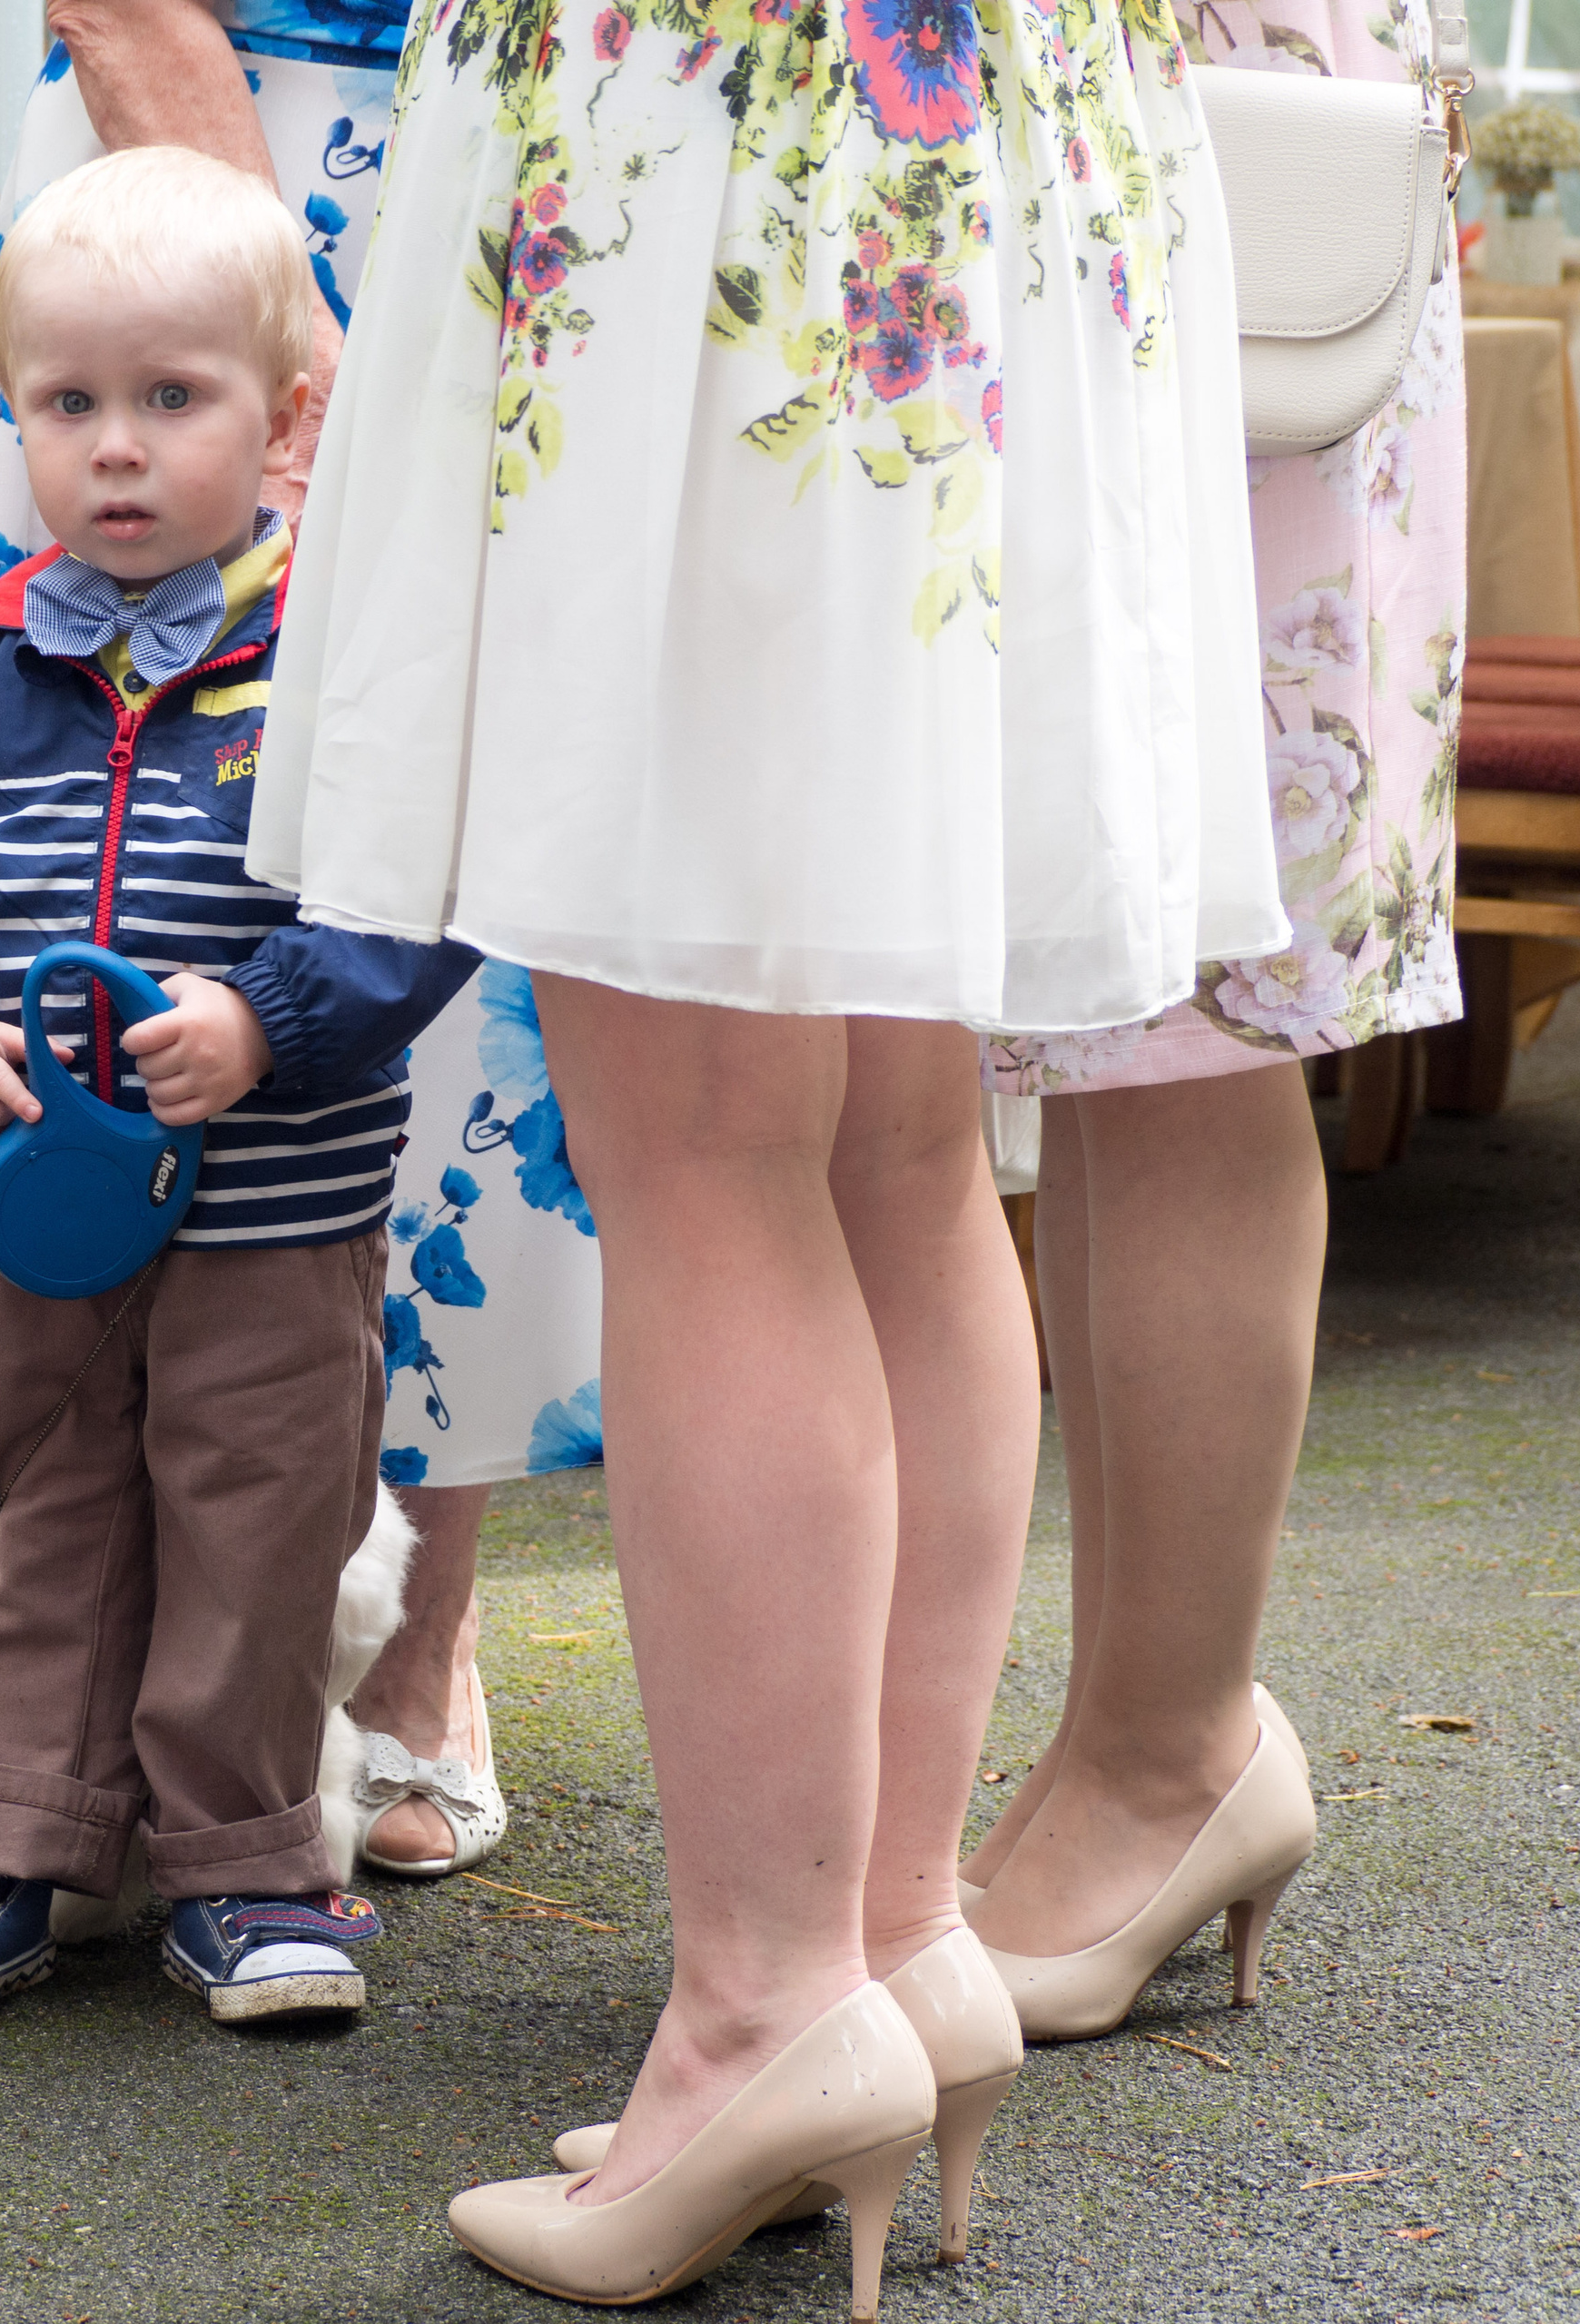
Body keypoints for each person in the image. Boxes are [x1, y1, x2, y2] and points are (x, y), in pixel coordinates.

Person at [250, 0, 1293, 2312]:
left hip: (715, 127)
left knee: (712, 1142)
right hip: (1003, 123)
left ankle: (761, 2005)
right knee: (899, 1132)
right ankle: (887, 1933)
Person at [0, 147, 477, 2029]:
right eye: (65, 403)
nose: (112, 448)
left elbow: (413, 891)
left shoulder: (328, 664)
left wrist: (270, 1015)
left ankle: (247, 1864)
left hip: (273, 1223)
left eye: (169, 400)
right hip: (36, 1217)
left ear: (283, 418)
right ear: (8, 414)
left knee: (261, 1526)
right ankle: (4, 1841)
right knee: (42, 1509)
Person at [0, 0, 609, 1887]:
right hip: (208, 189)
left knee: (450, 930)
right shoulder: (153, 394)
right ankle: (35, 1726)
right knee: (55, 836)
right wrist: (292, 342)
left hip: (559, 162)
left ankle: (411, 1624)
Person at [963, 0, 1466, 2037]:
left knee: (1177, 1005)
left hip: (1220, 159)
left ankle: (1167, 1748)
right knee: (1105, 1015)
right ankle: (1144, 1732)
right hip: (1100, 128)